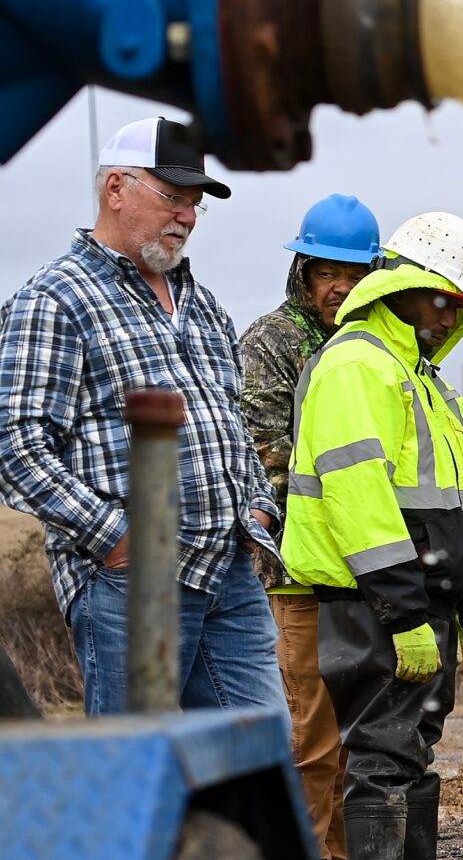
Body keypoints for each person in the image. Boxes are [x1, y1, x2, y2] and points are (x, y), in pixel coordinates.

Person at [0, 117, 289, 713]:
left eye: (194, 205)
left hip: (229, 573)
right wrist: (117, 539)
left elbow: (228, 422)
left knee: (258, 770)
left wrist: (256, 503)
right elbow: (15, 444)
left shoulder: (203, 305)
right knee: (144, 774)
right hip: (134, 586)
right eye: (172, 198)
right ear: (115, 189)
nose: (185, 216)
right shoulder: (56, 298)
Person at [285, 211, 463, 860]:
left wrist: (459, 603)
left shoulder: (419, 376)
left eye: (457, 307)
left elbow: (444, 499)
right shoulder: (357, 364)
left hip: (418, 602)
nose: (448, 317)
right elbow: (359, 496)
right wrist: (406, 609)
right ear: (405, 288)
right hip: (370, 599)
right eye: (442, 300)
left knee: (412, 753)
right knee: (378, 756)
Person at [239, 193, 381, 860]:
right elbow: (261, 446)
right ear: (304, 268)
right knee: (313, 739)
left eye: (356, 274)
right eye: (329, 271)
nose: (341, 287)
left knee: (365, 744)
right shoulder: (272, 341)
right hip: (300, 575)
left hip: (366, 572)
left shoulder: (375, 349)